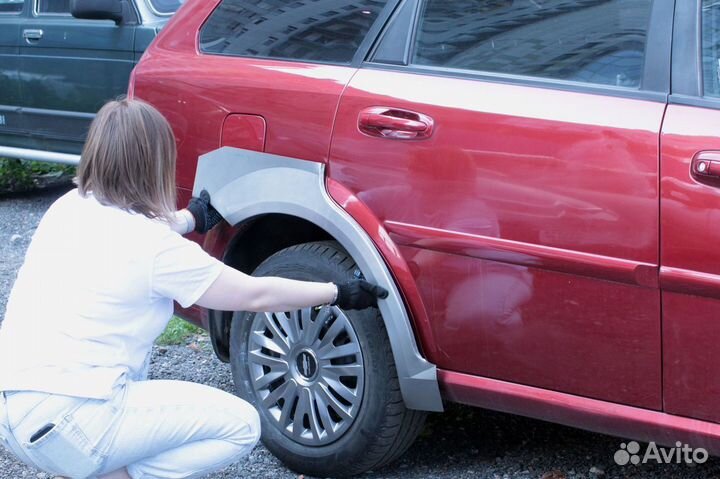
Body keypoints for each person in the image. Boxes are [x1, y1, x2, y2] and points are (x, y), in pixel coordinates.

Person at [0, 99, 387, 479]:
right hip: (73, 420)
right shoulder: (153, 249)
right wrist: (337, 292)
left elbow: (132, 233)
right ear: (155, 164)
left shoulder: (70, 207)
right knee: (241, 426)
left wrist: (191, 218)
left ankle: (90, 465)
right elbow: (255, 295)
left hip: (14, 414)